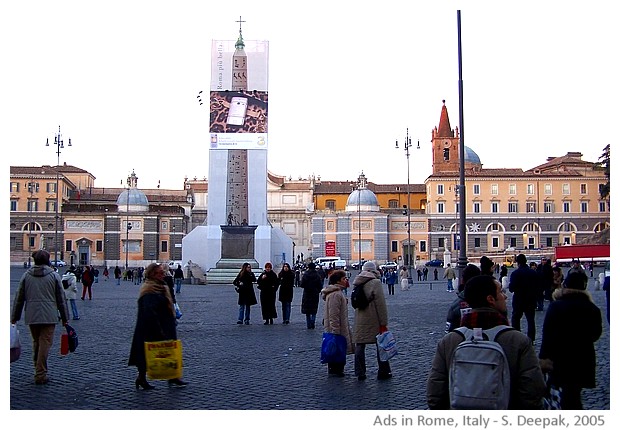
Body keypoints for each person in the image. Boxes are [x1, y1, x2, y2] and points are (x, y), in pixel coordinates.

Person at [427, 275, 546, 409]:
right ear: (491, 299)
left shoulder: (449, 341)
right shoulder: (518, 341)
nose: (505, 296)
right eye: (501, 291)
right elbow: (533, 391)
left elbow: (435, 393)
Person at [539, 271, 602, 409]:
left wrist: (543, 359)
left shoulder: (556, 306)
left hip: (560, 359)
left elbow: (547, 334)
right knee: (574, 394)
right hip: (583, 358)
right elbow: (596, 334)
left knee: (564, 396)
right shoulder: (592, 308)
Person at [11, 250, 70, 385]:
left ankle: (37, 368)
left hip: (32, 314)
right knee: (45, 343)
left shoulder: (26, 276)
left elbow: (19, 298)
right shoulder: (54, 276)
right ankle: (40, 373)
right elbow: (61, 299)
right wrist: (65, 318)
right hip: (49, 315)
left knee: (36, 342)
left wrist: (14, 317)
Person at [128, 263, 187, 390]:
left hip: (165, 324)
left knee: (169, 351)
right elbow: (149, 311)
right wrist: (158, 327)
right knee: (146, 353)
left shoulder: (162, 286)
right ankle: (141, 378)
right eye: (159, 273)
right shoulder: (149, 289)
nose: (163, 274)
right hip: (151, 326)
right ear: (152, 274)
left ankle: (173, 376)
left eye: (162, 272)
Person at [352, 261, 392, 381]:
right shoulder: (375, 282)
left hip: (360, 317)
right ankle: (384, 370)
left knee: (360, 344)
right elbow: (380, 304)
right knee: (381, 345)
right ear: (373, 270)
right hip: (374, 317)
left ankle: (360, 372)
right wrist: (383, 322)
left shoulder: (357, 281)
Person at [321, 269, 354, 377]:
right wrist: (335, 331)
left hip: (338, 327)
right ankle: (335, 369)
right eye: (344, 278)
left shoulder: (337, 293)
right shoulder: (335, 295)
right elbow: (333, 314)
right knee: (336, 348)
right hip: (336, 329)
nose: (346, 280)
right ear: (338, 281)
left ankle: (336, 369)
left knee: (337, 349)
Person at [508, 253, 539, 343]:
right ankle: (531, 338)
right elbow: (537, 286)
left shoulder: (515, 273)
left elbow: (511, 288)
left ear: (518, 262)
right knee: (530, 320)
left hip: (519, 299)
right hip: (531, 299)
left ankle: (517, 338)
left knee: (516, 319)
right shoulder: (533, 272)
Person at [444, 264, 480, 333]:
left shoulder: (456, 306)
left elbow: (449, 333)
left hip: (462, 340)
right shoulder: (490, 302)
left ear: (462, 280)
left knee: (449, 283)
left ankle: (450, 288)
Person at [300, 262, 322, 329]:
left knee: (308, 311)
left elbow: (302, 284)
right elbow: (320, 285)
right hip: (315, 294)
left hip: (307, 293)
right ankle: (313, 322)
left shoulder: (306, 275)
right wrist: (318, 290)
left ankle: (308, 324)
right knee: (314, 310)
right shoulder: (317, 275)